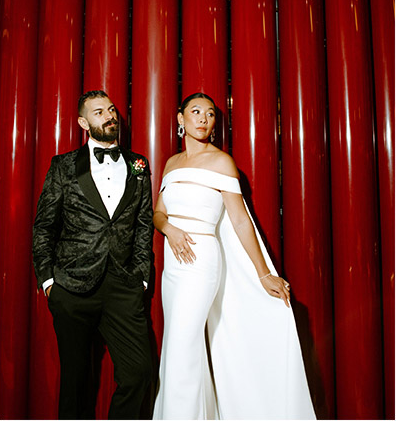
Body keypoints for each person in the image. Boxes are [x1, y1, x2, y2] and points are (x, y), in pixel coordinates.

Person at [152, 92, 316, 420]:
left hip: (201, 263)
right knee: (177, 346)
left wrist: (263, 272)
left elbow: (241, 221)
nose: (204, 119)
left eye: (211, 114)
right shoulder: (172, 163)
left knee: (181, 348)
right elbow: (158, 213)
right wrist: (169, 229)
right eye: (196, 112)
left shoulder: (222, 162)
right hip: (173, 267)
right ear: (181, 120)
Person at [33, 90, 153, 420]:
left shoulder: (138, 165)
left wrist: (142, 276)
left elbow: (144, 223)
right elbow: (44, 226)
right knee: (75, 381)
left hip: (122, 285)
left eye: (112, 109)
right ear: (84, 122)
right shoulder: (63, 165)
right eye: (99, 112)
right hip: (71, 287)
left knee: (139, 372)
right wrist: (48, 281)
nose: (110, 115)